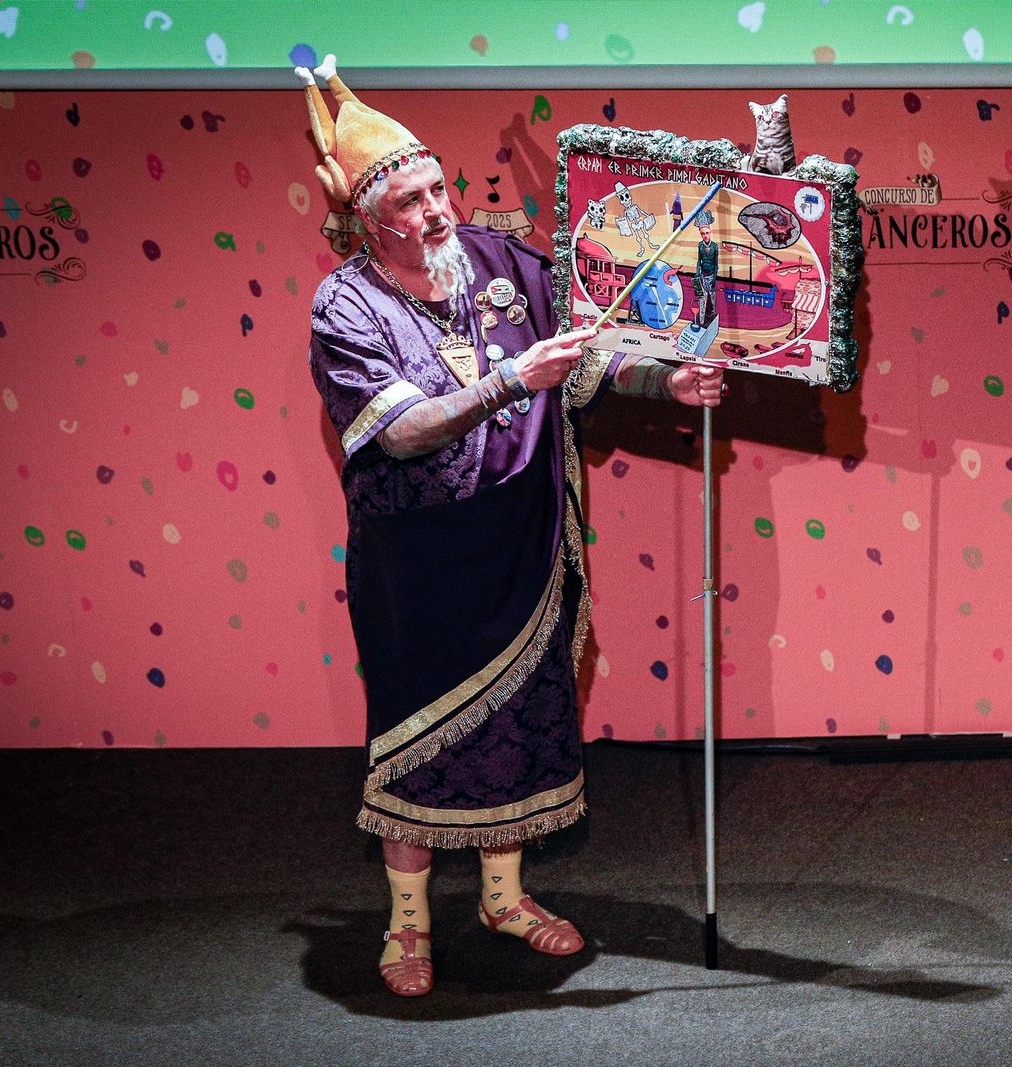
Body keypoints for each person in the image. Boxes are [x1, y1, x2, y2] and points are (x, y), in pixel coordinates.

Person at [295, 56, 725, 997]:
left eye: (438, 186)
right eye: (410, 202)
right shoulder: (347, 306)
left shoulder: (500, 261)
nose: (437, 211)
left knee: (526, 726)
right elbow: (401, 430)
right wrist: (504, 384)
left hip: (528, 553)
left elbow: (588, 359)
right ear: (367, 221)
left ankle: (503, 895)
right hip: (422, 571)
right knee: (417, 736)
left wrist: (666, 381)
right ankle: (406, 925)